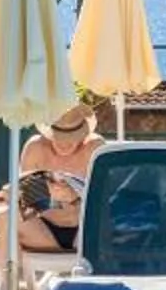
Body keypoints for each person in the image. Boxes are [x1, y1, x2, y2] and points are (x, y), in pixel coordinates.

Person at [15, 107, 103, 253]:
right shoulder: (35, 148)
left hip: (85, 233)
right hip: (44, 231)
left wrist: (75, 196)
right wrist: (50, 195)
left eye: (71, 137)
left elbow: (105, 197)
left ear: (82, 136)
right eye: (59, 136)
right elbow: (27, 205)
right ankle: (4, 275)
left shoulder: (94, 148)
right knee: (3, 219)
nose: (64, 143)